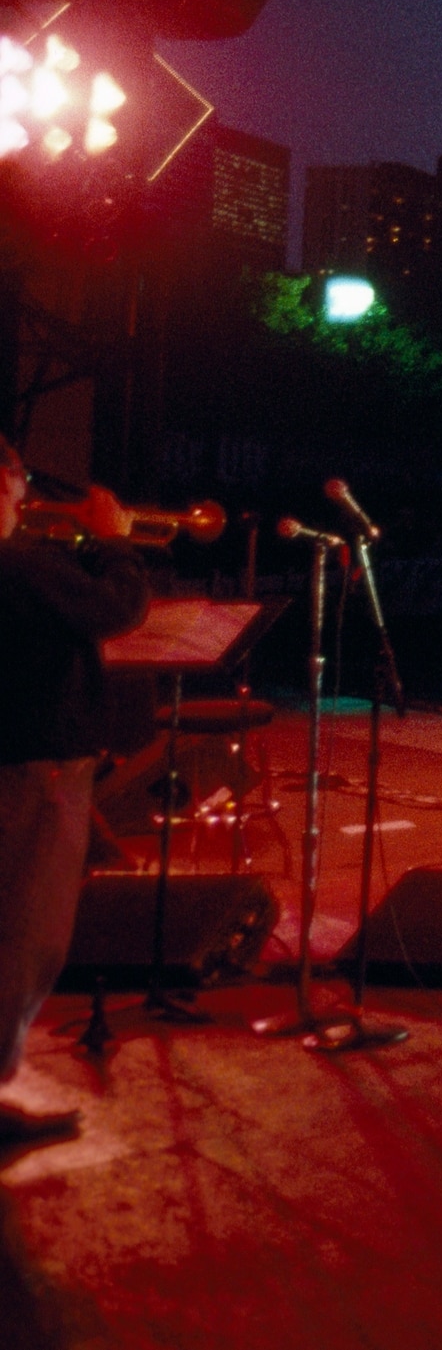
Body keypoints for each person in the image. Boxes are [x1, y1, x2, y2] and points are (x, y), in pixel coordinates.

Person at [0, 445, 148, 1147]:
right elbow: (116, 609)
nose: (26, 499)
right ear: (6, 482)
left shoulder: (27, 568)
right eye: (20, 484)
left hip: (15, 762)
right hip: (35, 768)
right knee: (27, 936)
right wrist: (116, 542)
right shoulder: (19, 564)